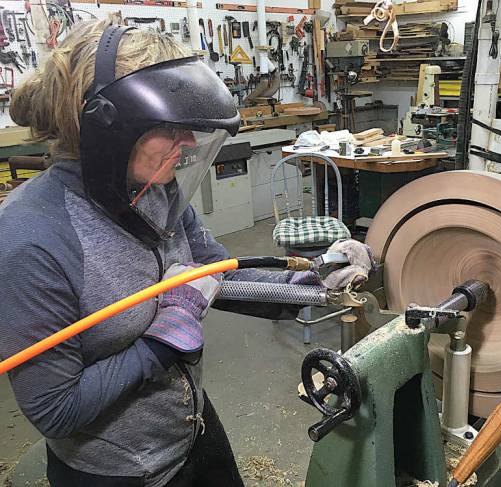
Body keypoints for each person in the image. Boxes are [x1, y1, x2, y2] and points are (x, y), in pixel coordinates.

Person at [0, 20, 374, 487]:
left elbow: (218, 276)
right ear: (107, 128)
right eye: (172, 128)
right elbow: (55, 409)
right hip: (116, 472)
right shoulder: (31, 237)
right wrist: (160, 342)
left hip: (190, 427)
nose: (191, 144)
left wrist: (314, 283)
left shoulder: (153, 189)